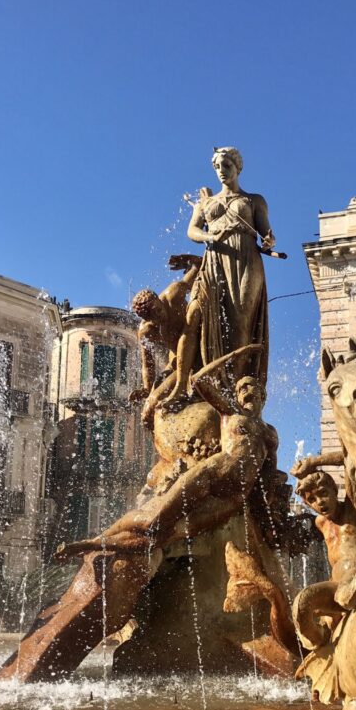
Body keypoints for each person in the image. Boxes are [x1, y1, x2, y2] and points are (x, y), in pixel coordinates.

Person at [57, 343, 277, 559]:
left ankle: (104, 546)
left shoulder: (270, 433)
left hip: (233, 497)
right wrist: (237, 352)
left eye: (250, 387)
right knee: (153, 521)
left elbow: (269, 472)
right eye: (241, 388)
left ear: (263, 396)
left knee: (161, 537)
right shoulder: (231, 413)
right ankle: (92, 542)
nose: (245, 391)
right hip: (210, 474)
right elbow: (198, 380)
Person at [162, 147, 274, 406]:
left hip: (246, 260)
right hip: (214, 262)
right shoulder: (207, 202)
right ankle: (191, 383)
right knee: (199, 314)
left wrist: (268, 241)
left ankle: (238, 387)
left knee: (242, 322)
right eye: (218, 167)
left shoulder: (254, 200)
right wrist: (208, 237)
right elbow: (192, 230)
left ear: (238, 167)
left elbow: (267, 232)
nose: (222, 172)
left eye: (226, 166)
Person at [130, 253, 202, 423]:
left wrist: (192, 262)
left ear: (158, 298)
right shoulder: (146, 331)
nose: (159, 317)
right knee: (152, 403)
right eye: (153, 317)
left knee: (191, 319)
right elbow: (147, 364)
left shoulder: (174, 293)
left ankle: (181, 388)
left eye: (158, 310)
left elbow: (198, 270)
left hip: (200, 341)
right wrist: (147, 389)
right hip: (178, 360)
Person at [295, 470, 356, 609]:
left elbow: (350, 461)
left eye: (323, 493)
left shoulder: (352, 508)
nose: (320, 502)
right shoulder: (320, 523)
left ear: (334, 490)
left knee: (343, 598)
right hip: (336, 582)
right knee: (301, 604)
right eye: (312, 500)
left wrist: (312, 463)